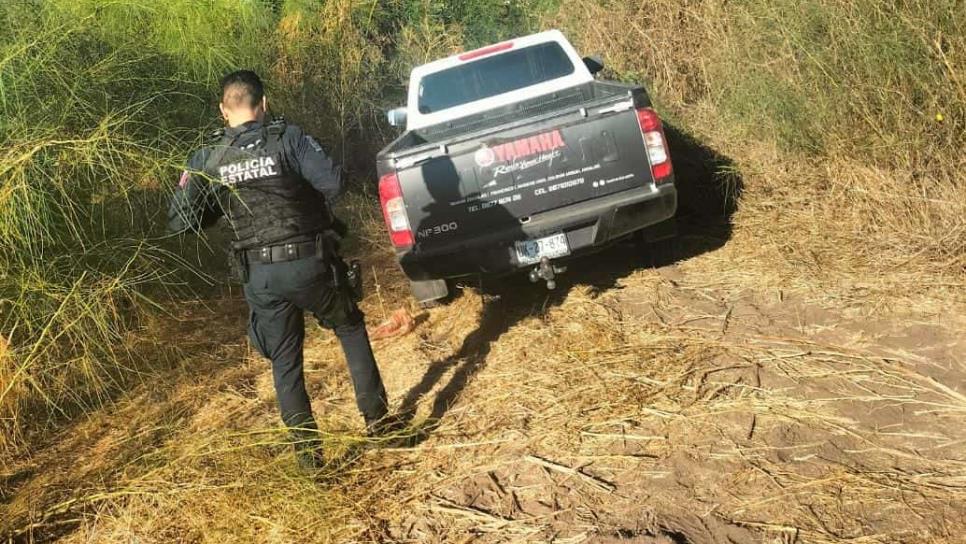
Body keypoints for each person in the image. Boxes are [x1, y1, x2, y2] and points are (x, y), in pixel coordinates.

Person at [167, 70, 392, 471]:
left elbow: (182, 221)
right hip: (310, 262)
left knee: (285, 362)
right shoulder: (288, 139)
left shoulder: (208, 158)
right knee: (350, 327)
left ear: (223, 111)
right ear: (264, 104)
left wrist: (220, 198)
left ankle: (309, 460)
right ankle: (377, 421)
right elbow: (335, 183)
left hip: (261, 276)